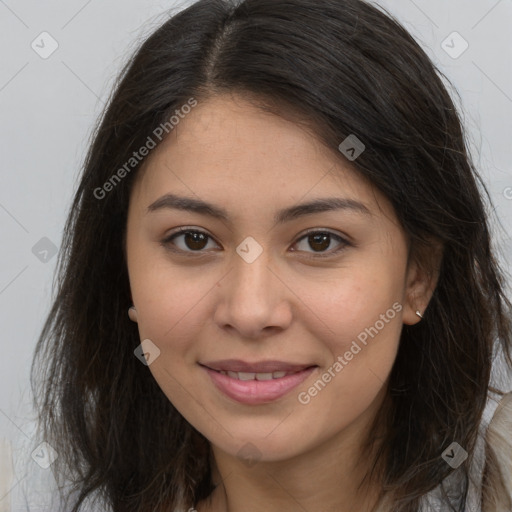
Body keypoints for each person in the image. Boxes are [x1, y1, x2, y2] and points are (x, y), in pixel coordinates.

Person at [3, 0, 512, 511]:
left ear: (417, 275)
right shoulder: (31, 492)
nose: (249, 311)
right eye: (193, 239)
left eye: (319, 241)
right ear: (123, 268)